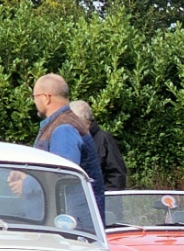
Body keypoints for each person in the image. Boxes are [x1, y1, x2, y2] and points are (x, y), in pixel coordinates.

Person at [31, 73, 104, 219]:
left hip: (71, 224)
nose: (34, 102)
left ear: (46, 97)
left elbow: (62, 175)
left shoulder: (64, 128)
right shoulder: (61, 124)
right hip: (68, 220)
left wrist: (27, 184)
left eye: (35, 97)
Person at [69, 100, 126, 192]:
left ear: (81, 120)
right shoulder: (72, 140)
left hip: (101, 200)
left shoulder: (104, 139)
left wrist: (104, 198)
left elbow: (117, 175)